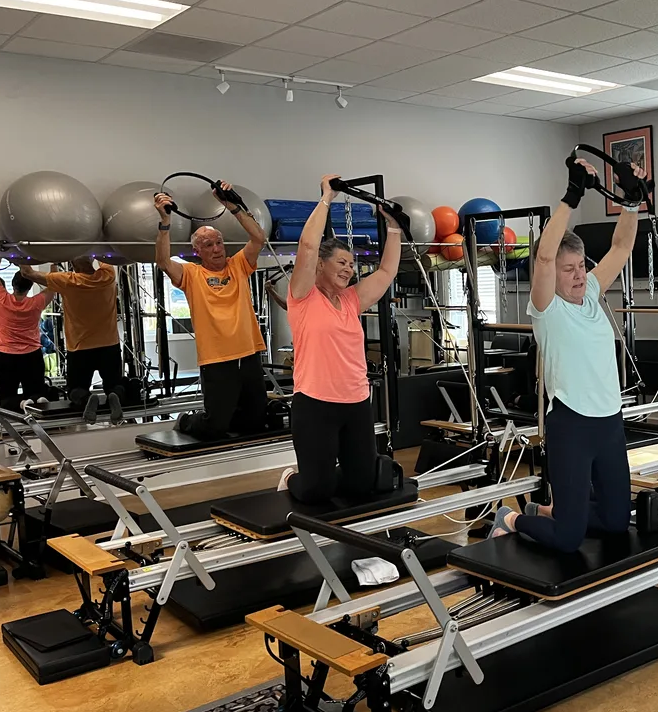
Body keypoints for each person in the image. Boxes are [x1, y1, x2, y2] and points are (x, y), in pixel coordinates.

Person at [489, 158, 644, 552]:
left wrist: (631, 202)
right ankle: (511, 518)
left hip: (609, 423)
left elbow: (622, 245)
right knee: (569, 538)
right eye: (568, 269)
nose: (578, 275)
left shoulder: (591, 291)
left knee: (614, 522)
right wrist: (571, 196)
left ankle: (552, 510)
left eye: (580, 266)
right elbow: (542, 256)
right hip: (572, 427)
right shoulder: (547, 309)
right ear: (552, 276)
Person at [276, 174, 402, 503]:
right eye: (341, 263)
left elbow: (387, 272)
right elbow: (306, 245)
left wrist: (394, 228)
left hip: (356, 403)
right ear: (319, 265)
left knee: (360, 486)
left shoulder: (351, 300)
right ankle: (292, 477)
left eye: (352, 264)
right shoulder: (302, 296)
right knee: (317, 490)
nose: (349, 269)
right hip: (315, 404)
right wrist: (327, 197)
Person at [153, 182, 269, 440]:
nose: (216, 248)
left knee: (255, 422)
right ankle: (185, 421)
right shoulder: (192, 275)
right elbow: (162, 261)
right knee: (215, 426)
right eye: (208, 245)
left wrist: (232, 207)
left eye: (219, 242)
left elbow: (259, 238)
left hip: (248, 352)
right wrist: (165, 222)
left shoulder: (238, 265)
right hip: (216, 359)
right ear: (197, 251)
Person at [20, 257, 125, 423]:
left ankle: (86, 398)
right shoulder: (108, 275)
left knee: (75, 389)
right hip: (109, 344)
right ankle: (114, 395)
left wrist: (18, 252)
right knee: (115, 384)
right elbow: (105, 253)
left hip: (80, 348)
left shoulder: (67, 280)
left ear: (72, 264)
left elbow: (27, 273)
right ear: (92, 260)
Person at [0, 255, 55, 412]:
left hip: (6, 356)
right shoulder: (36, 303)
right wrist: (54, 261)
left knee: (5, 399)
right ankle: (36, 401)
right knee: (37, 393)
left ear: (12, 285)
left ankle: (22, 404)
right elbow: (54, 285)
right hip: (32, 355)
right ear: (30, 286)